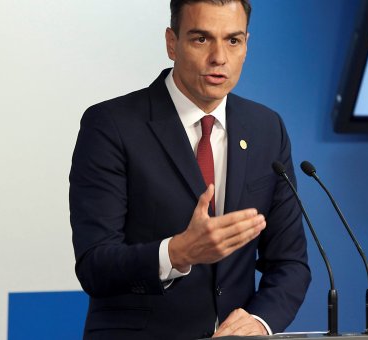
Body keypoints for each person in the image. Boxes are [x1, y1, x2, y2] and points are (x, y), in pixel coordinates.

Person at [69, 0, 311, 338]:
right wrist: (178, 252)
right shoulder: (112, 125)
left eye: (233, 40)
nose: (219, 58)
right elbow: (95, 265)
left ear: (246, 45)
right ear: (172, 43)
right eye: (201, 39)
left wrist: (259, 321)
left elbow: (289, 264)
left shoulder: (267, 129)